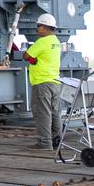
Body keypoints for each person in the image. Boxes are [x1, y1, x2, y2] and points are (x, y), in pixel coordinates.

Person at [24, 12, 63, 150]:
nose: (37, 29)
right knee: (54, 112)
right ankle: (57, 140)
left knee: (43, 113)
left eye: (39, 26)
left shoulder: (42, 42)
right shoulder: (56, 42)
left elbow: (26, 55)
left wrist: (31, 58)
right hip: (55, 82)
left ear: (46, 27)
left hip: (42, 83)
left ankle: (45, 143)